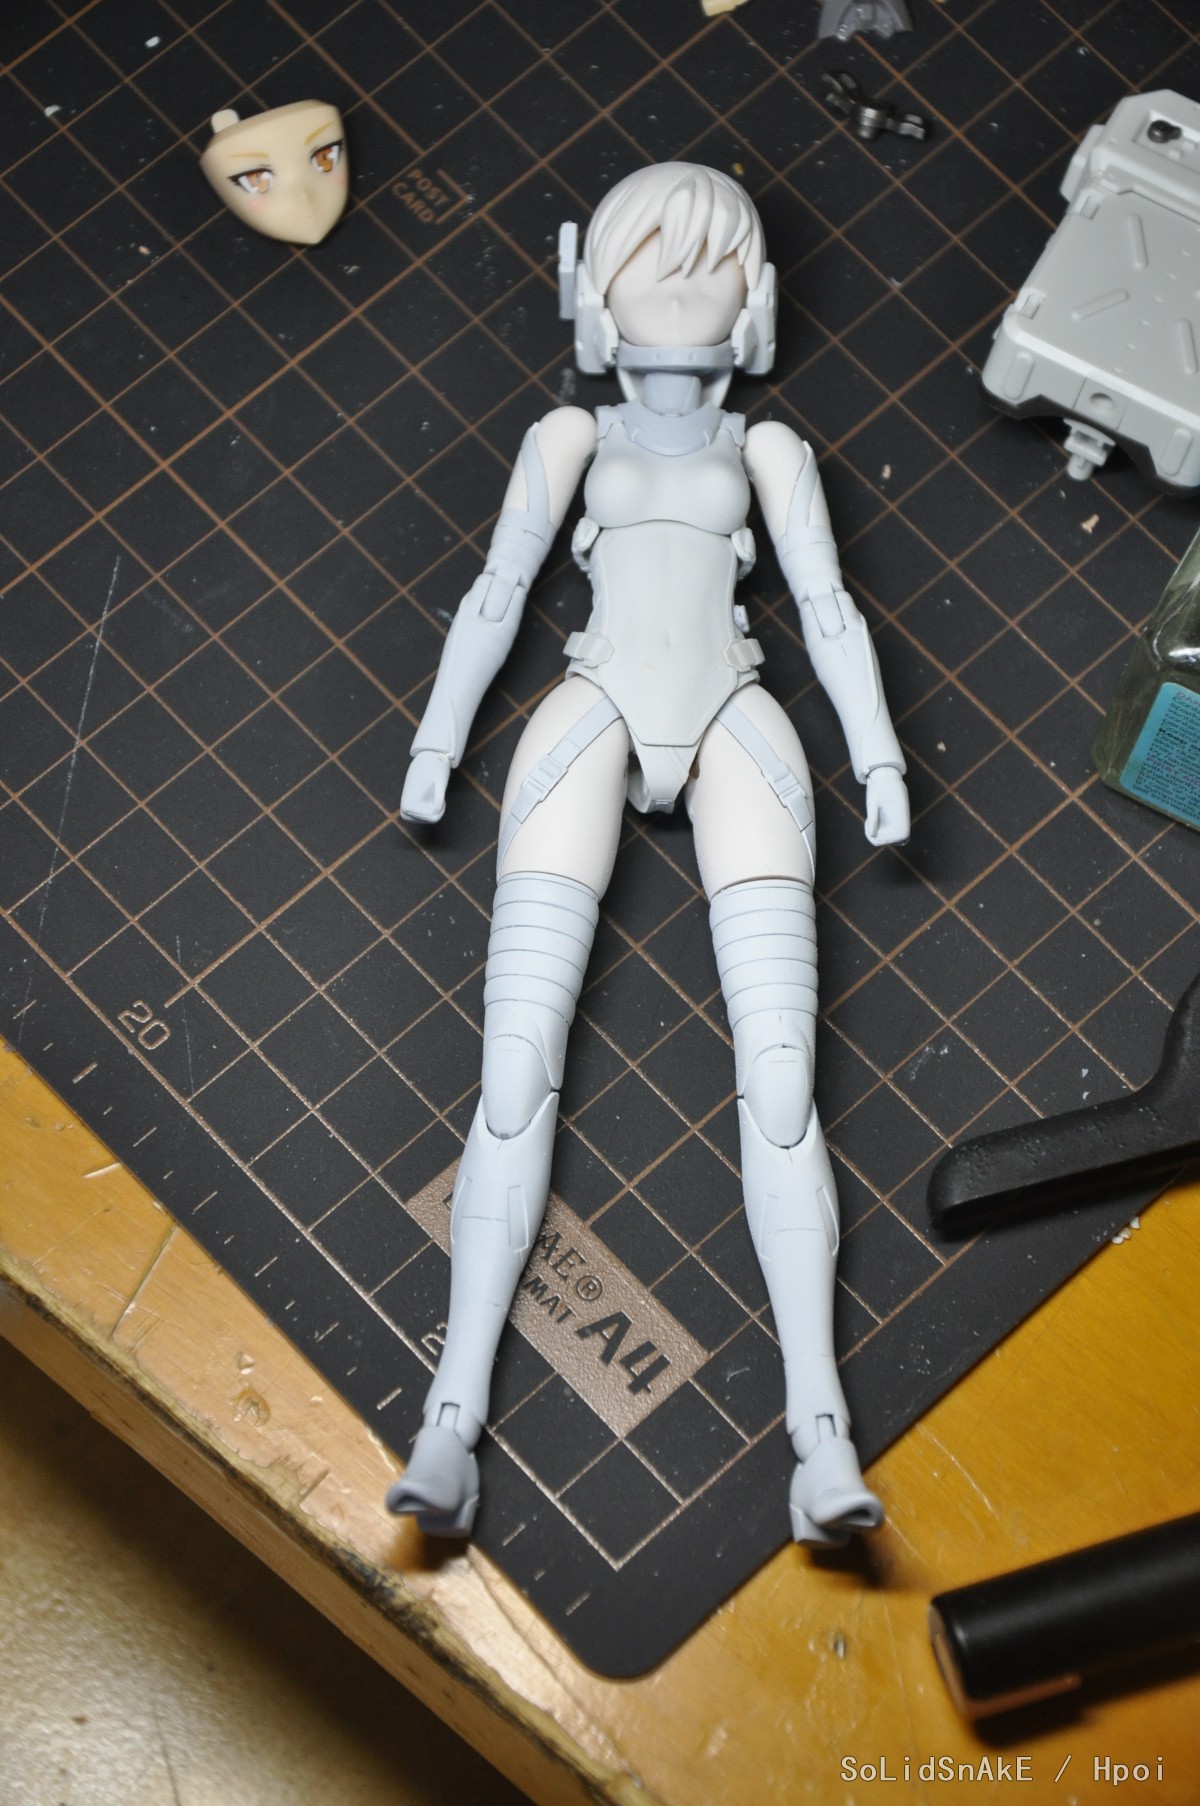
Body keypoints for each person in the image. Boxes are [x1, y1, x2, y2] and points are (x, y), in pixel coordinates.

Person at [387, 163, 909, 1546]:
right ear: (593, 292)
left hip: (737, 717)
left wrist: (879, 756)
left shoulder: (771, 451)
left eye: (709, 263)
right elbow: (499, 588)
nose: (680, 287)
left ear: (755, 299)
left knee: (783, 1086)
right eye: (649, 261)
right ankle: (451, 1422)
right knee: (515, 1068)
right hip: (596, 705)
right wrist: (439, 738)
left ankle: (820, 1437)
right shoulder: (570, 434)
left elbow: (830, 609)